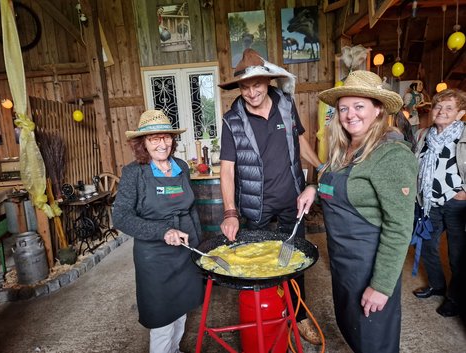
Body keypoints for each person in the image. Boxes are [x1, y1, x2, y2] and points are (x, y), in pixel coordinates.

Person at [297, 70, 418, 353]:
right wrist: (314, 188)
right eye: (343, 108)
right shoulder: (344, 148)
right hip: (343, 263)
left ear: (378, 109)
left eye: (359, 106)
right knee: (353, 330)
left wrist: (382, 286)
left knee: (375, 342)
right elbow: (332, 181)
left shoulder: (391, 155)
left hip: (370, 265)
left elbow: (399, 227)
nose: (350, 115)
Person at [218, 48, 322, 345]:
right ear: (239, 87)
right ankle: (264, 320)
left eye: (257, 85)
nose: (251, 93)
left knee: (295, 260)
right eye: (245, 86)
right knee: (258, 265)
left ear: (268, 82)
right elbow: (227, 170)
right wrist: (229, 212)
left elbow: (299, 140)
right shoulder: (232, 120)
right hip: (255, 205)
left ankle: (299, 316)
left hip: (293, 200)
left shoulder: (286, 104)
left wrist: (322, 168)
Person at [112, 110, 204, 353]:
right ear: (143, 143)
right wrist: (163, 231)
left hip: (186, 248)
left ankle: (174, 350)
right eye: (154, 139)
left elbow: (191, 208)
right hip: (155, 255)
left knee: (183, 308)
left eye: (166, 137)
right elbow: (120, 217)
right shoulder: (135, 173)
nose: (162, 144)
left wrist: (200, 244)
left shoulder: (181, 167)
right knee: (162, 317)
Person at [412, 88, 466, 319]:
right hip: (428, 202)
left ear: (461, 113)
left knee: (458, 255)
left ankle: (455, 298)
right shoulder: (423, 135)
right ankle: (437, 285)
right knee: (425, 245)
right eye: (438, 106)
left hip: (457, 205)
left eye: (449, 108)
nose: (441, 111)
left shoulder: (464, 136)